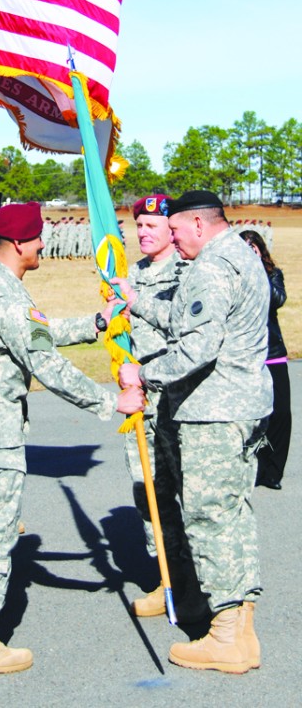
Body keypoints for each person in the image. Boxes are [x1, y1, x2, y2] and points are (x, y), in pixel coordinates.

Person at [0, 202, 143, 677]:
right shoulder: (7, 298)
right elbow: (45, 363)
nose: (44, 244)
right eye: (39, 238)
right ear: (21, 245)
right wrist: (112, 402)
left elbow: (31, 335)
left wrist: (95, 324)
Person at [119, 191, 272, 674]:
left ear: (199, 225)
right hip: (244, 404)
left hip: (215, 409)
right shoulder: (242, 258)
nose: (174, 238)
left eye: (177, 229)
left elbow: (196, 348)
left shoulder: (208, 266)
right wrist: (137, 302)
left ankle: (224, 635)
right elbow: (192, 319)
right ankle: (241, 630)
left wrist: (142, 375)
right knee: (233, 515)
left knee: (210, 519)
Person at [123, 195, 200, 620]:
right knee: (147, 492)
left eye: (153, 225)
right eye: (140, 226)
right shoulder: (131, 273)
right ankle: (164, 577)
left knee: (183, 491)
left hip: (173, 398)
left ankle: (194, 580)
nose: (144, 233)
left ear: (172, 228)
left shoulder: (187, 272)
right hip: (140, 402)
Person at [240, 229, 291, 490]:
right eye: (244, 247)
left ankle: (274, 472)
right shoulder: (234, 278)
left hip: (273, 354)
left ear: (260, 250)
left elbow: (277, 300)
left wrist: (258, 271)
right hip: (247, 355)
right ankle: (254, 468)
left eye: (253, 247)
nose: (249, 250)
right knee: (253, 416)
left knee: (281, 413)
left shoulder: (272, 274)